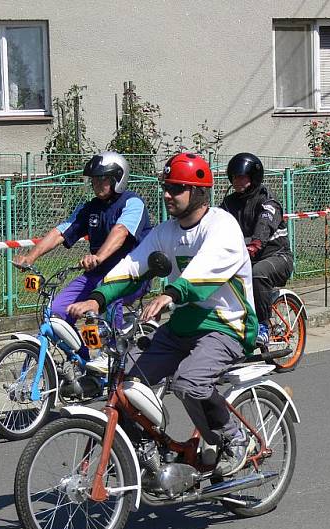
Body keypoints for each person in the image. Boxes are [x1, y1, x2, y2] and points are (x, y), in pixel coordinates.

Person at [67, 153, 258, 477]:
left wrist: (170, 293)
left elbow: (204, 270)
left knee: (189, 382)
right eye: (166, 187)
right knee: (127, 384)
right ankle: (145, 448)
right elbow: (133, 265)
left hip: (226, 323)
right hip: (183, 323)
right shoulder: (165, 232)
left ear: (200, 192)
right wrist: (98, 299)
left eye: (177, 188)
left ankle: (234, 438)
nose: (168, 194)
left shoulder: (222, 226)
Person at [13, 151, 153, 372]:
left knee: (110, 298)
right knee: (56, 312)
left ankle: (110, 353)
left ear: (118, 178)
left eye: (103, 178)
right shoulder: (89, 208)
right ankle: (84, 360)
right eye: (94, 179)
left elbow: (121, 232)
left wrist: (98, 257)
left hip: (131, 276)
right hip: (97, 275)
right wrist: (29, 257)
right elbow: (61, 231)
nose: (97, 183)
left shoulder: (132, 203)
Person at [220, 153, 294, 345]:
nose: (237, 181)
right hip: (245, 259)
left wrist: (255, 244)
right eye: (234, 177)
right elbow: (215, 225)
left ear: (253, 178)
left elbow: (264, 225)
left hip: (277, 257)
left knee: (257, 274)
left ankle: (263, 326)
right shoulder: (229, 204)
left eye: (242, 177)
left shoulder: (268, 202)